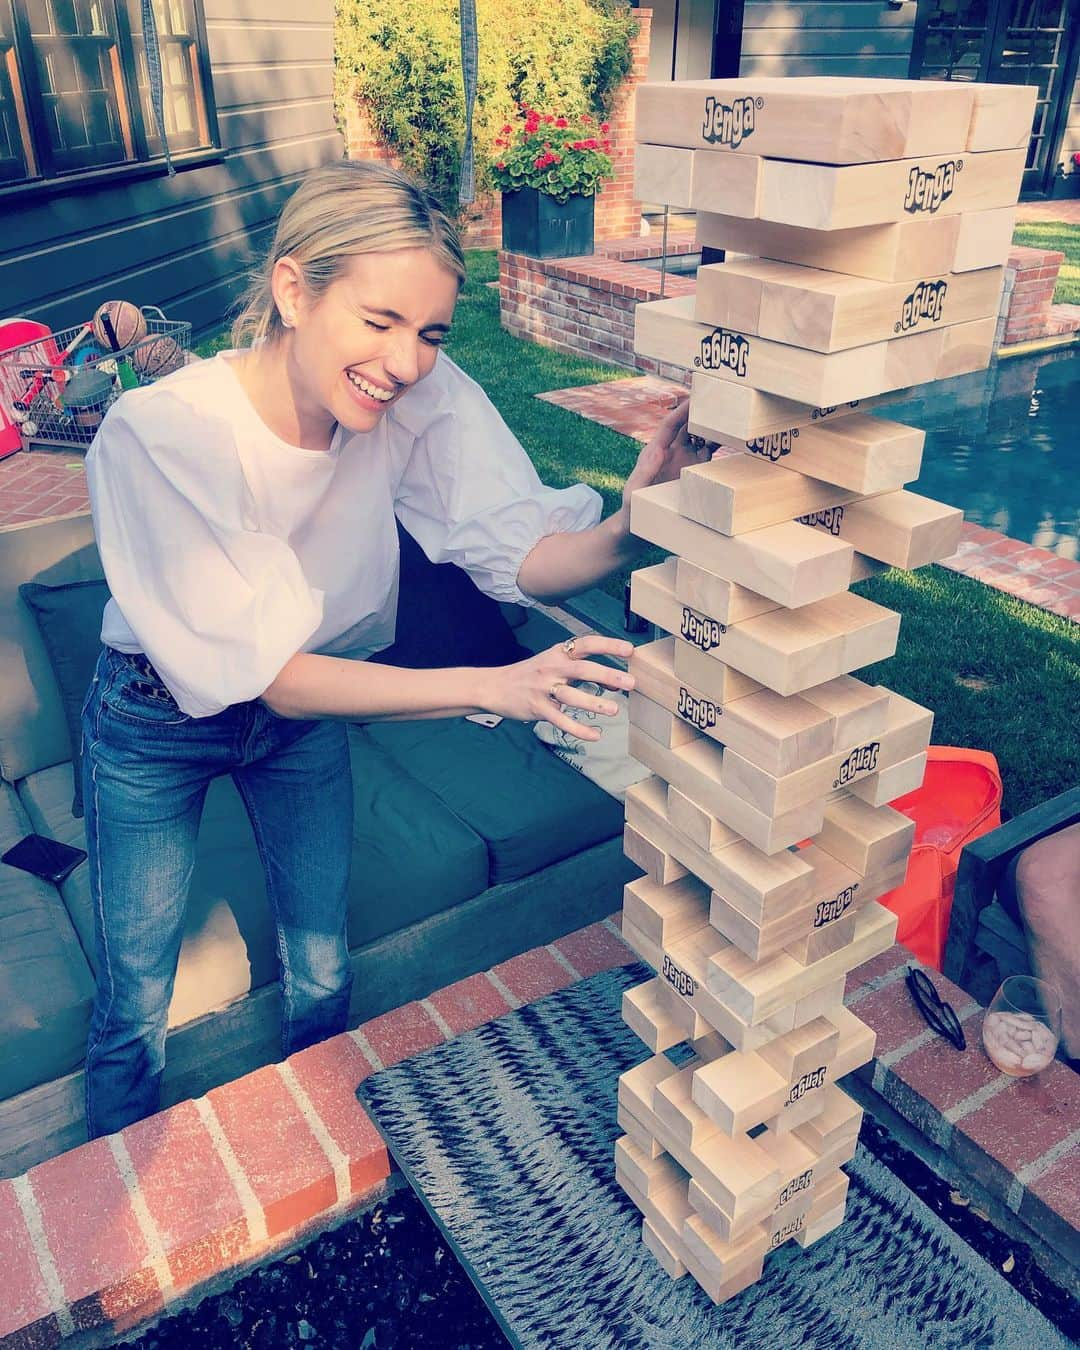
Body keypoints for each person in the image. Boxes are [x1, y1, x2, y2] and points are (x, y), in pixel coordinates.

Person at [81, 159, 705, 1138]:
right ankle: (105, 1214)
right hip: (155, 722)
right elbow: (271, 676)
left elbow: (516, 549)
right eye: (378, 322)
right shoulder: (162, 435)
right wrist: (499, 684)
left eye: (430, 332)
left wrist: (632, 525)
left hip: (309, 720)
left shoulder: (414, 394)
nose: (407, 361)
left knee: (325, 964)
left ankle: (315, 1144)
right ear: (294, 288)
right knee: (136, 998)